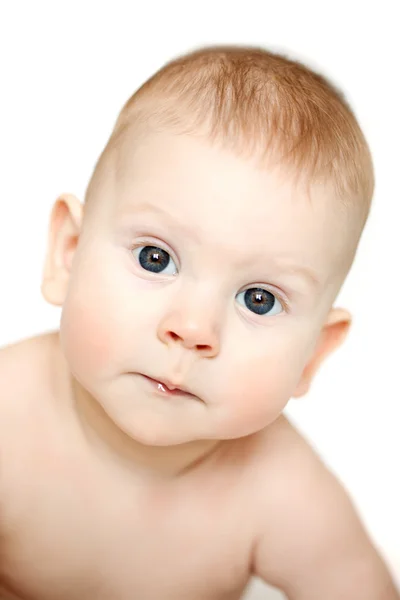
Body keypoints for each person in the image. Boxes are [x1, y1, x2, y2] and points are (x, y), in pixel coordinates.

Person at [0, 45, 398, 600]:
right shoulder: (8, 415)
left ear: (311, 354)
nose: (192, 329)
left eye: (258, 299)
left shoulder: (281, 490)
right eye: (154, 258)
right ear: (68, 252)